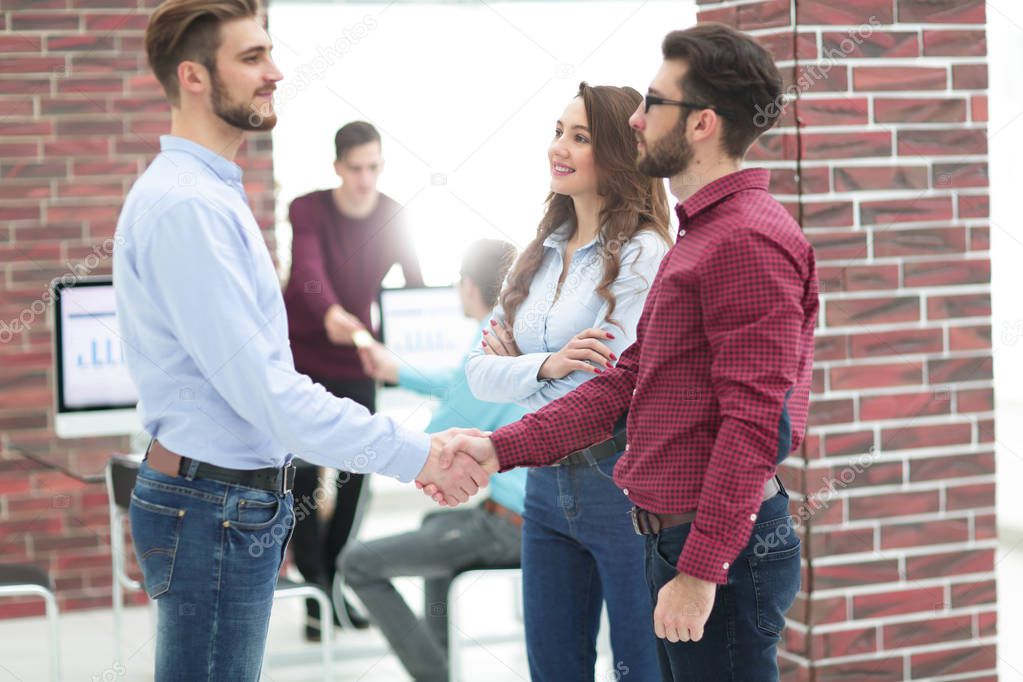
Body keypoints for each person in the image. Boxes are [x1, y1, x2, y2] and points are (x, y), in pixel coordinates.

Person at [435, 24, 819, 682]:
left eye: (653, 103)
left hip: (714, 548)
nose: (636, 120)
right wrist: (501, 448)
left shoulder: (746, 242)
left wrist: (699, 574)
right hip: (668, 534)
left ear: (700, 123)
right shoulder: (700, 237)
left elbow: (752, 425)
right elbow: (625, 385)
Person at [114, 1, 486, 679]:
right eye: (252, 57)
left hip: (222, 502)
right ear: (193, 77)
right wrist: (418, 454)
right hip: (213, 507)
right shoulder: (190, 206)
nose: (277, 72)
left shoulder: (210, 193)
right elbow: (267, 392)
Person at [462, 82, 672, 681]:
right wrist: (548, 365)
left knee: (640, 669)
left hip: (620, 485)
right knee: (552, 670)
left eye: (580, 137)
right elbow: (477, 373)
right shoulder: (538, 253)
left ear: (615, 153)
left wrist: (520, 370)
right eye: (558, 131)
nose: (560, 147)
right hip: (544, 489)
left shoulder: (643, 252)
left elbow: (613, 386)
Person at [336, 238, 527, 682]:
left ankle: (434, 676)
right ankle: (440, 668)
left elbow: (434, 437)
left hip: (510, 528)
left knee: (356, 562)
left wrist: (353, 441)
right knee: (433, 529)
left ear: (466, 285)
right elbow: (458, 382)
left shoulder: (493, 346)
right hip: (519, 515)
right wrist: (395, 371)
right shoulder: (511, 335)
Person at [282, 120, 424, 635]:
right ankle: (314, 591)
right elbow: (308, 272)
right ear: (338, 167)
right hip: (302, 353)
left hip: (357, 359)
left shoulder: (392, 215)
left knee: (355, 475)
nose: (366, 179)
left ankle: (336, 578)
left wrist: (418, 338)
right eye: (356, 168)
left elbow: (413, 286)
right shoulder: (307, 208)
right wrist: (330, 313)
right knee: (302, 476)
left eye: (374, 167)